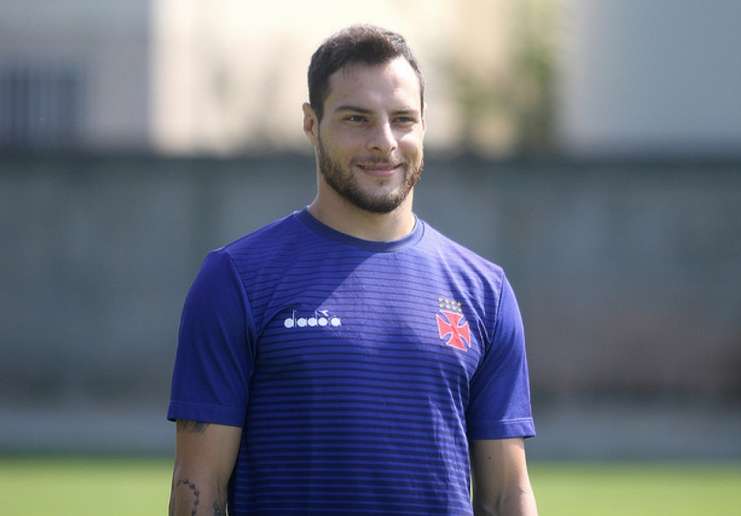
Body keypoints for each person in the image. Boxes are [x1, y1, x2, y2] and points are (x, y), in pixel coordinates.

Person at [167, 24, 538, 516]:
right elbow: (199, 483)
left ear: (425, 124)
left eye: (403, 119)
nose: (384, 142)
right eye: (357, 119)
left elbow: (505, 494)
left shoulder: (484, 292)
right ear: (310, 123)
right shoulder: (236, 280)